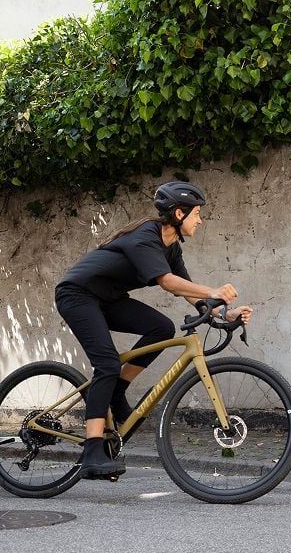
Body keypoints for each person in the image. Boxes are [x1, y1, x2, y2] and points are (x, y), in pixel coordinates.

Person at [54, 181, 253, 478]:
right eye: (197, 213)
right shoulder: (145, 237)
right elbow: (167, 282)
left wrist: (226, 312)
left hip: (107, 299)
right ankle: (92, 451)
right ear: (177, 213)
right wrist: (214, 290)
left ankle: (117, 391)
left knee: (161, 327)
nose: (200, 220)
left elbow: (189, 293)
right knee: (107, 364)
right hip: (77, 295)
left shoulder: (171, 247)